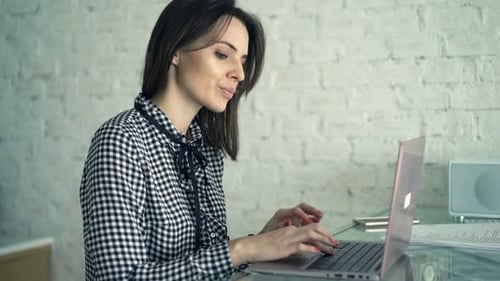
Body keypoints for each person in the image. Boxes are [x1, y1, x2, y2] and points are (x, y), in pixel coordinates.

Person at [79, 0, 338, 280]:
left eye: (243, 61)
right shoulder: (120, 141)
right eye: (223, 54)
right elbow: (118, 278)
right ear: (175, 50)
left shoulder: (205, 148)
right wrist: (241, 249)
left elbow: (206, 264)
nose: (239, 74)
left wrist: (266, 241)